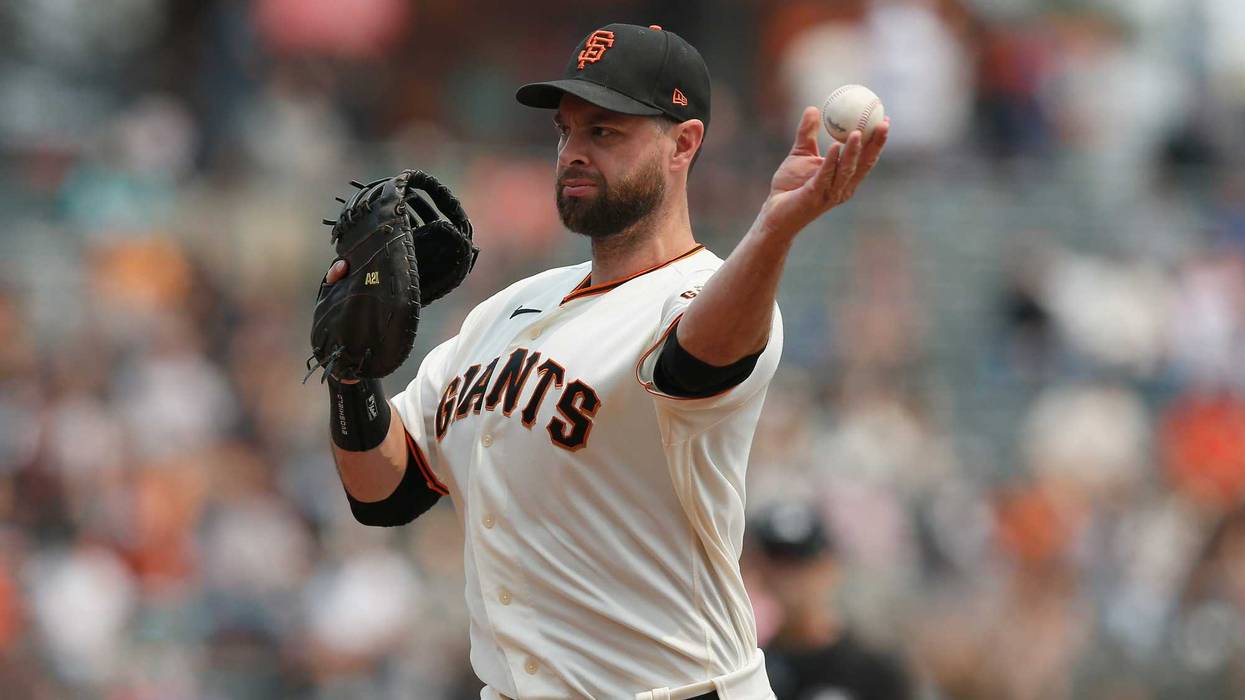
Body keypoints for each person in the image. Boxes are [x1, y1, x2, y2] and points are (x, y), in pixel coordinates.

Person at [320, 22, 889, 700]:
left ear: (684, 143)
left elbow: (696, 359)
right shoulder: (502, 311)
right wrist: (351, 376)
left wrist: (773, 228)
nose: (574, 152)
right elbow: (384, 490)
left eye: (604, 132)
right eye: (566, 131)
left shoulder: (706, 295)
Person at [749, 502, 914, 700]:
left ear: (830, 568)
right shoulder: (754, 669)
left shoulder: (875, 668)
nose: (789, 581)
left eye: (802, 565)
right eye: (778, 566)